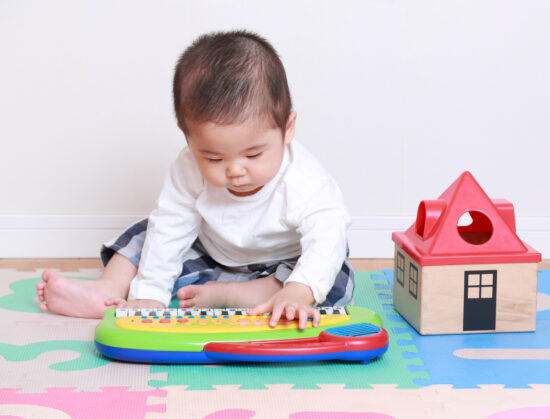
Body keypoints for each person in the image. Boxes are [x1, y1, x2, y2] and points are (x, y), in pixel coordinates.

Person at [36, 31, 354, 329]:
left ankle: (233, 296)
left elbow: (327, 235)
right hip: (210, 252)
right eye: (214, 158)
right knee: (150, 233)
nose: (235, 170)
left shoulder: (303, 181)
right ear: (187, 137)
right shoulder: (187, 169)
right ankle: (107, 290)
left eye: (253, 155)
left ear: (287, 128)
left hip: (281, 265)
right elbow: (171, 229)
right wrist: (150, 295)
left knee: (332, 278)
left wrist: (299, 291)